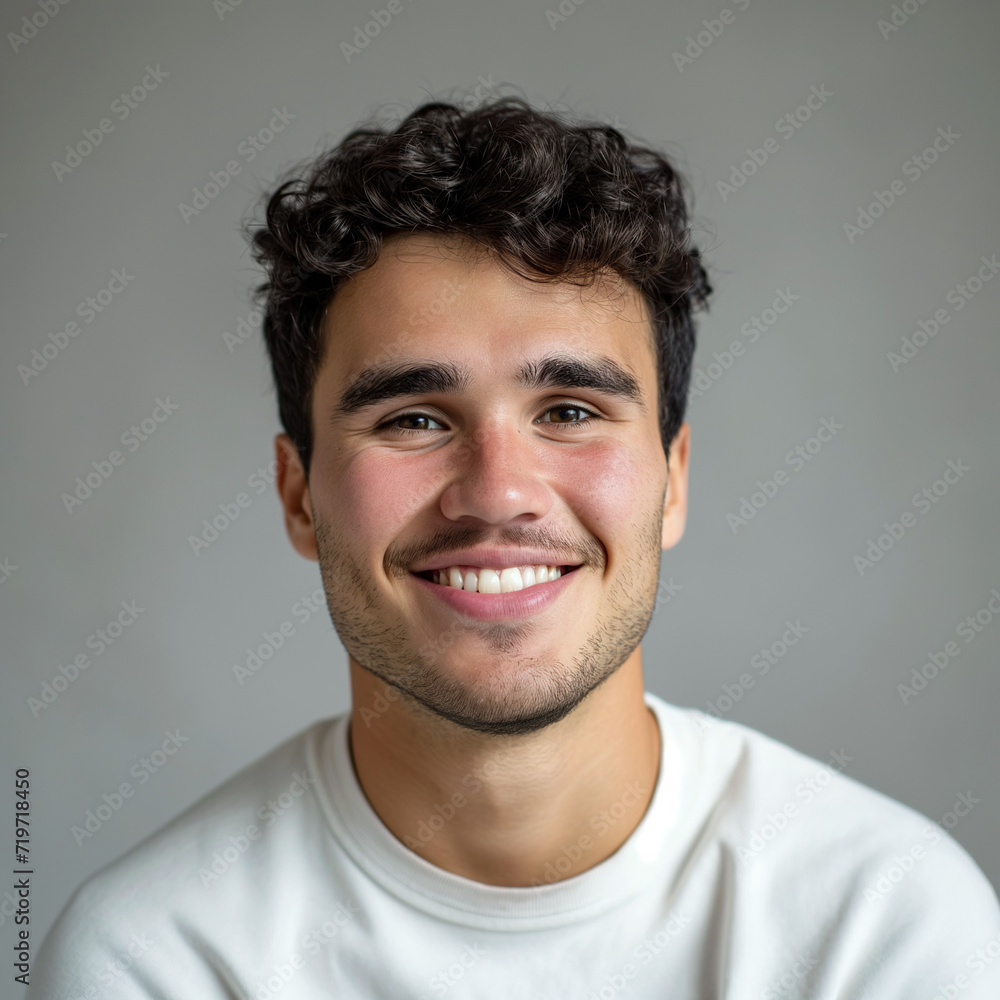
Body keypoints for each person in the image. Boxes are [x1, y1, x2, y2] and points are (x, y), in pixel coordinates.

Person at [31, 97, 1000, 999]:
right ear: (298, 494)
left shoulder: (883, 926)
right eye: (413, 418)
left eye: (570, 410)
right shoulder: (158, 959)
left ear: (674, 480)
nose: (496, 490)